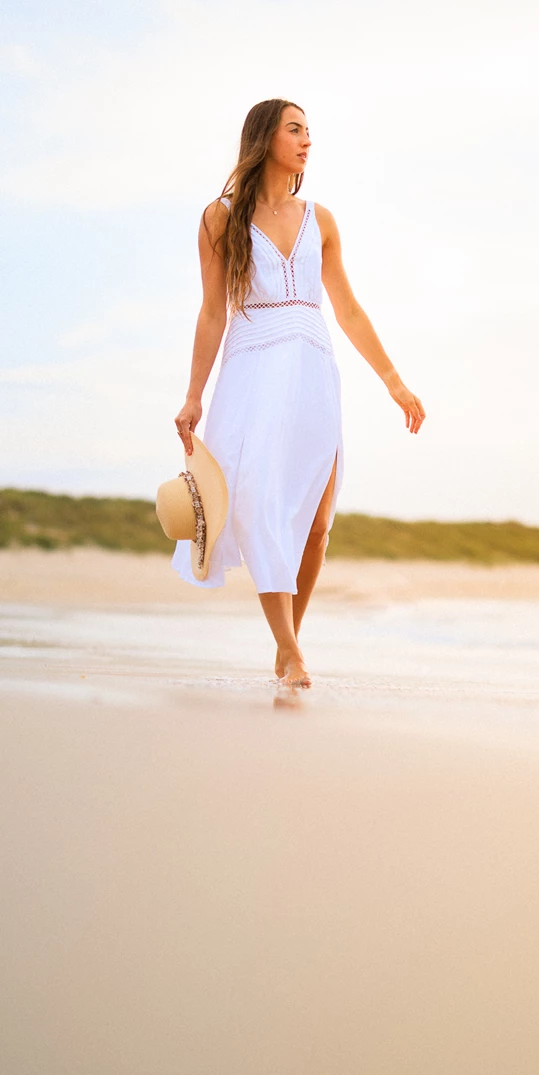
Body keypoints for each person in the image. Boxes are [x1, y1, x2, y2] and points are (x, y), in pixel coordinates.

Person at [171, 98, 426, 688]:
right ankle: (289, 649)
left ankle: (290, 645)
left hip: (313, 367)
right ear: (264, 138)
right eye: (295, 129)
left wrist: (394, 381)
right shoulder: (219, 218)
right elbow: (212, 312)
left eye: (310, 131)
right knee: (262, 505)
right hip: (254, 367)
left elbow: (350, 309)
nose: (308, 140)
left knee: (315, 521)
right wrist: (193, 395)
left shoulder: (322, 220)